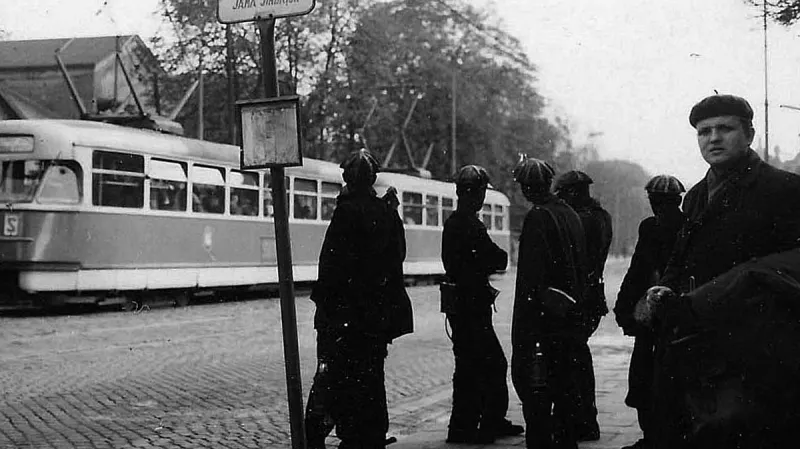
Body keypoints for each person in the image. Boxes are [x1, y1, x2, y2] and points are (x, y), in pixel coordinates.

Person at [635, 94, 800, 448]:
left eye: (725, 129)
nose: (713, 138)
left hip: (754, 351)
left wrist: (731, 288)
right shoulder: (696, 195)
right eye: (703, 131)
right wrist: (664, 286)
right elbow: (681, 256)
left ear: (750, 135)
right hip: (695, 346)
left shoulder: (785, 189)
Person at [304, 149, 413, 449]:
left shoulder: (346, 212)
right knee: (371, 378)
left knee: (335, 377)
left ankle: (333, 436)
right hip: (375, 318)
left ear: (347, 179)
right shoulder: (385, 212)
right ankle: (371, 435)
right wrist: (391, 212)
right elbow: (397, 256)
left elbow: (331, 266)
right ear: (373, 179)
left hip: (343, 317)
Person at [441, 164, 523, 444]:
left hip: (460, 306)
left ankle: (463, 425)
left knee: (468, 366)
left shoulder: (454, 222)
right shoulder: (471, 224)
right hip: (472, 306)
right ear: (474, 194)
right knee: (491, 364)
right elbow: (498, 258)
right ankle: (486, 423)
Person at [510, 156, 588, 449]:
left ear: (526, 188)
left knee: (536, 396)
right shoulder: (569, 212)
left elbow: (532, 280)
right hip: (568, 318)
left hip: (542, 324)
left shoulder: (538, 217)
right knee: (565, 392)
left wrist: (526, 331)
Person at [612, 175, 686, 449]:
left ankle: (658, 438)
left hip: (665, 316)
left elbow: (637, 272)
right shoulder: (668, 227)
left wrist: (625, 308)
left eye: (662, 201)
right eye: (657, 201)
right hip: (665, 316)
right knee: (649, 378)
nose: (659, 207)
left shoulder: (660, 228)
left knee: (649, 378)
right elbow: (637, 270)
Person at [552, 170, 612, 441]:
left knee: (572, 359)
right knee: (579, 356)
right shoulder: (602, 217)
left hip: (577, 297)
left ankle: (580, 419)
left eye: (563, 194)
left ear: (574, 192)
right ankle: (585, 418)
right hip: (593, 295)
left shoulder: (579, 220)